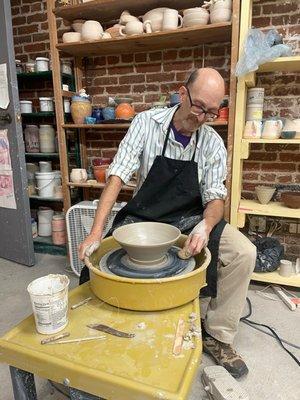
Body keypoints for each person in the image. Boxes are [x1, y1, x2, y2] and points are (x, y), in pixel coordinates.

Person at [79, 68, 256, 379]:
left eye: (212, 112)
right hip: (145, 216)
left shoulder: (212, 143)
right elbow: (117, 176)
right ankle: (109, 329)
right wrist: (95, 232)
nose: (202, 117)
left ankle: (218, 336)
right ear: (182, 93)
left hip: (190, 217)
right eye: (199, 106)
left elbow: (215, 198)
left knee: (244, 253)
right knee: (94, 264)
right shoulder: (147, 122)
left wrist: (206, 226)